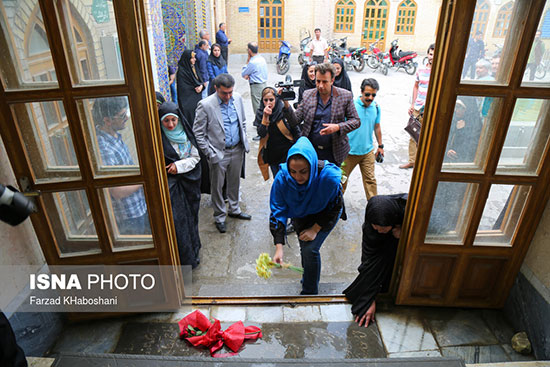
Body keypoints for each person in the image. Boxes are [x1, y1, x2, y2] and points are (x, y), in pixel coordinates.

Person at [270, 137, 344, 295]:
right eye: (293, 172)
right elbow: (278, 211)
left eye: (304, 172)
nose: (297, 177)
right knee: (304, 247)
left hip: (325, 213)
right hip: (300, 213)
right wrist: (279, 247)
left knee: (310, 250)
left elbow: (335, 206)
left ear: (312, 166)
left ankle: (309, 292)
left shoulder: (327, 177)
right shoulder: (282, 179)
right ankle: (308, 277)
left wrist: (315, 229)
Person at [193, 74, 251, 234]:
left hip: (237, 149)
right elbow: (198, 133)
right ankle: (219, 216)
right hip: (218, 153)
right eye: (224, 93)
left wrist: (243, 139)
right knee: (217, 187)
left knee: (234, 181)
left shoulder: (237, 98)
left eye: (230, 92)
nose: (228, 96)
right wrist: (210, 153)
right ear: (216, 89)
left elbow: (243, 122)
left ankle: (234, 208)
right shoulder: (205, 105)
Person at [343, 193, 408, 327]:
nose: (379, 230)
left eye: (384, 227)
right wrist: (369, 298)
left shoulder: (407, 210)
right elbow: (368, 260)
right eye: (375, 225)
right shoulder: (370, 229)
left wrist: (406, 233)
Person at [92, 97, 150, 235]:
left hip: (138, 206)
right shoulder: (103, 148)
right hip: (129, 216)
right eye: (122, 116)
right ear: (107, 120)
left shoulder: (114, 135)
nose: (127, 118)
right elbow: (116, 191)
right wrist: (146, 177)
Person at [288, 62, 360, 166]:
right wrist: (285, 104)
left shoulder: (345, 96)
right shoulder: (308, 95)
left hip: (334, 152)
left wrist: (338, 127)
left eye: (325, 82)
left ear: (332, 80)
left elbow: (356, 121)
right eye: (318, 81)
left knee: (331, 180)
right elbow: (295, 120)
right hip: (311, 150)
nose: (320, 85)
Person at [159, 102, 202, 269]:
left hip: (189, 185)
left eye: (173, 120)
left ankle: (194, 250)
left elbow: (196, 157)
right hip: (172, 189)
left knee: (192, 218)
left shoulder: (186, 134)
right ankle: (185, 259)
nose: (170, 125)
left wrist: (179, 166)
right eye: (166, 121)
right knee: (178, 223)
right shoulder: (158, 139)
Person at [341, 78, 383, 200]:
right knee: (341, 182)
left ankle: (375, 208)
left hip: (367, 152)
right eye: (367, 94)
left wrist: (380, 146)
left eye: (373, 95)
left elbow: (377, 126)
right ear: (361, 91)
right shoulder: (350, 106)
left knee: (371, 181)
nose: (370, 98)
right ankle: (334, 208)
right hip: (348, 153)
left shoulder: (376, 107)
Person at [400, 43, 434, 169]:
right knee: (413, 133)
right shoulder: (421, 69)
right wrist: (413, 104)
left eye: (435, 55)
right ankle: (412, 161)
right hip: (418, 107)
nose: (432, 57)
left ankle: (423, 162)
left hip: (431, 109)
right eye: (430, 54)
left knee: (427, 136)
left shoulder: (440, 71)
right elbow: (416, 86)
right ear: (427, 54)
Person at [255, 87, 300, 178]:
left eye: (271, 100)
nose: (268, 103)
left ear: (276, 99)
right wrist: (265, 117)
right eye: (265, 100)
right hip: (272, 154)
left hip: (287, 152)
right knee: (278, 179)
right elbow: (261, 134)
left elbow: (294, 124)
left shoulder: (282, 109)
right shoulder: (260, 113)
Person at [242, 42, 268, 141]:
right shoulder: (261, 58)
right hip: (263, 84)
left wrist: (247, 60)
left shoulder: (252, 62)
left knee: (258, 109)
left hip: (256, 86)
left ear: (249, 50)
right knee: (262, 106)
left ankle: (260, 131)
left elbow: (244, 73)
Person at [444, 97, 483, 163]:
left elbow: (473, 146)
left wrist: (461, 130)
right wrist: (447, 151)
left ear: (467, 109)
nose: (456, 110)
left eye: (459, 107)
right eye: (456, 107)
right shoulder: (451, 120)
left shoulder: (476, 124)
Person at [176, 50, 204, 126]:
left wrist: (201, 86)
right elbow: (184, 88)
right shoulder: (182, 72)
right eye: (192, 58)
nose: (194, 59)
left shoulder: (194, 67)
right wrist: (195, 88)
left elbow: (200, 80)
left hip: (197, 98)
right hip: (188, 101)